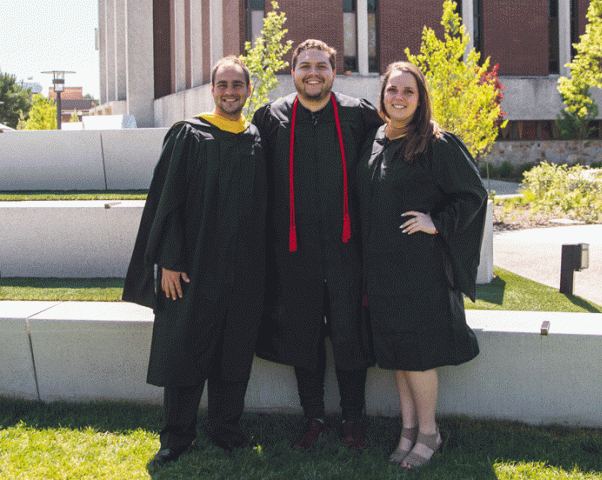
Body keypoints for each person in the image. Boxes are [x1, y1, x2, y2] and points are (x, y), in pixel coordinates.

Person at [122, 56, 267, 466]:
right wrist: (168, 260)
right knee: (184, 346)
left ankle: (226, 428)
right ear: (213, 89)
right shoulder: (189, 134)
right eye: (223, 84)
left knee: (233, 349)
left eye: (237, 85)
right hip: (192, 265)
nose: (230, 92)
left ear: (249, 90)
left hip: (242, 268)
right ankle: (176, 435)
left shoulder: (254, 137)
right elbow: (168, 200)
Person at [252, 39, 383, 450]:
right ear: (292, 72)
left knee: (350, 337)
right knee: (303, 335)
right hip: (293, 252)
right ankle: (312, 417)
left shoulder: (359, 115)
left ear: (334, 71)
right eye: (305, 65)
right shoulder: (271, 117)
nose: (313, 72)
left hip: (348, 250)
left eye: (321, 66)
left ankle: (354, 418)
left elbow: (391, 146)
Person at [356, 61, 487, 469]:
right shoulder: (377, 139)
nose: (399, 97)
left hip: (420, 269)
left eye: (408, 91)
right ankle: (407, 430)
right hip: (381, 267)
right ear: (383, 96)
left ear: (420, 97)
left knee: (419, 352)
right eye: (392, 90)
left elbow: (472, 194)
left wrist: (436, 223)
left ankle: (429, 432)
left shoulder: (436, 142)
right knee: (397, 350)